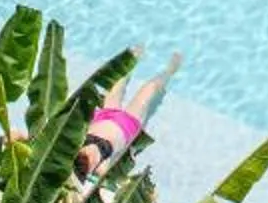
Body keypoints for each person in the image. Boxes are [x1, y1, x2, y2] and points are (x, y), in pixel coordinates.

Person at [73, 52, 184, 183]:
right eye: (90, 162)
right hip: (128, 124)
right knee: (150, 88)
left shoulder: (75, 151)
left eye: (85, 156)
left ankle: (136, 53)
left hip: (104, 115)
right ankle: (170, 71)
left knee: (119, 78)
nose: (89, 156)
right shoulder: (102, 169)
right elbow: (123, 182)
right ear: (90, 171)